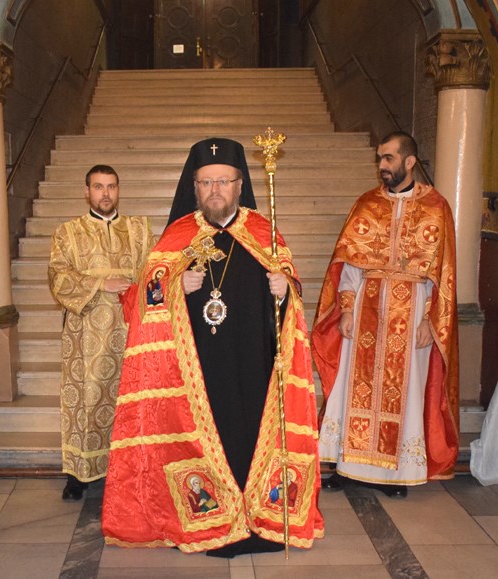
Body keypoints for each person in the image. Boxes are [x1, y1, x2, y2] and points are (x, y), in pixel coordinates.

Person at [101, 137, 324, 557]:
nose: (215, 190)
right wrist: (173, 286)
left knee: (250, 436)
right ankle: (210, 517)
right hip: (196, 372)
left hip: (254, 365)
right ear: (194, 187)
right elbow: (140, 301)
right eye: (206, 182)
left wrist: (286, 290)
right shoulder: (178, 235)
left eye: (224, 181)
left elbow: (291, 297)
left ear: (240, 185)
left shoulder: (264, 232)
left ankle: (258, 515)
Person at [311, 131, 459, 498]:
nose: (382, 165)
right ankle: (348, 468)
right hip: (367, 307)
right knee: (354, 388)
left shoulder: (436, 207)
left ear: (410, 161)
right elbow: (349, 264)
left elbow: (442, 273)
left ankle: (396, 474)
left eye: (389, 158)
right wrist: (347, 309)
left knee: (405, 392)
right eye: (380, 158)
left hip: (413, 311)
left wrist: (429, 320)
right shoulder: (367, 203)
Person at [48, 164, 154, 501]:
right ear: (86, 191)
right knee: (87, 398)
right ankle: (78, 473)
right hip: (86, 331)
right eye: (98, 187)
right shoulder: (68, 232)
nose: (105, 194)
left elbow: (154, 272)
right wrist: (99, 284)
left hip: (129, 327)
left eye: (111, 187)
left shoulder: (139, 230)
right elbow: (58, 276)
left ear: (118, 190)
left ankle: (128, 468)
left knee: (127, 397)